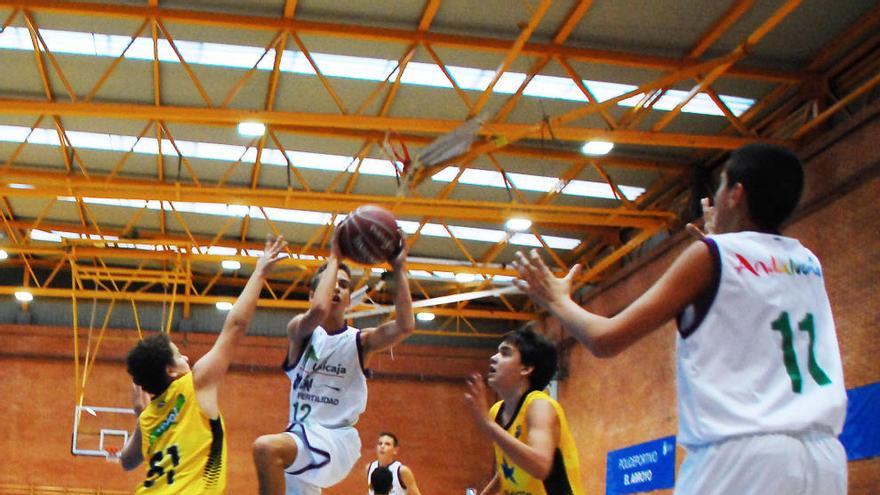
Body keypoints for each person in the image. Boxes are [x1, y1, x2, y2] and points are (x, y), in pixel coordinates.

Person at [512, 144, 847, 495]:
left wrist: (557, 300)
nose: (715, 196)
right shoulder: (807, 263)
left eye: (721, 185)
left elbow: (605, 338)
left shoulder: (711, 256)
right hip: (823, 460)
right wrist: (723, 243)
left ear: (736, 194)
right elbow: (748, 301)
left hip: (741, 458)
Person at [118, 237, 288, 493]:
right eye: (179, 355)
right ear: (171, 370)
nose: (187, 358)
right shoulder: (195, 383)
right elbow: (235, 327)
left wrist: (140, 416)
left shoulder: (147, 420)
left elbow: (126, 462)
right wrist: (259, 274)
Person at [253, 234, 415, 495]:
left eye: (344, 285)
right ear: (313, 295)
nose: (337, 288)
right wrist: (335, 258)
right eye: (332, 284)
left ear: (350, 298)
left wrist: (398, 267)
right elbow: (318, 311)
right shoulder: (300, 332)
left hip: (335, 440)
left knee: (265, 447)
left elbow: (406, 325)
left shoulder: (360, 342)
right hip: (299, 439)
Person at [464, 326, 584, 495]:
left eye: (505, 353)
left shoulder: (539, 405)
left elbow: (541, 466)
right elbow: (507, 471)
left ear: (526, 368)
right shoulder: (496, 412)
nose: (493, 358)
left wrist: (489, 425)